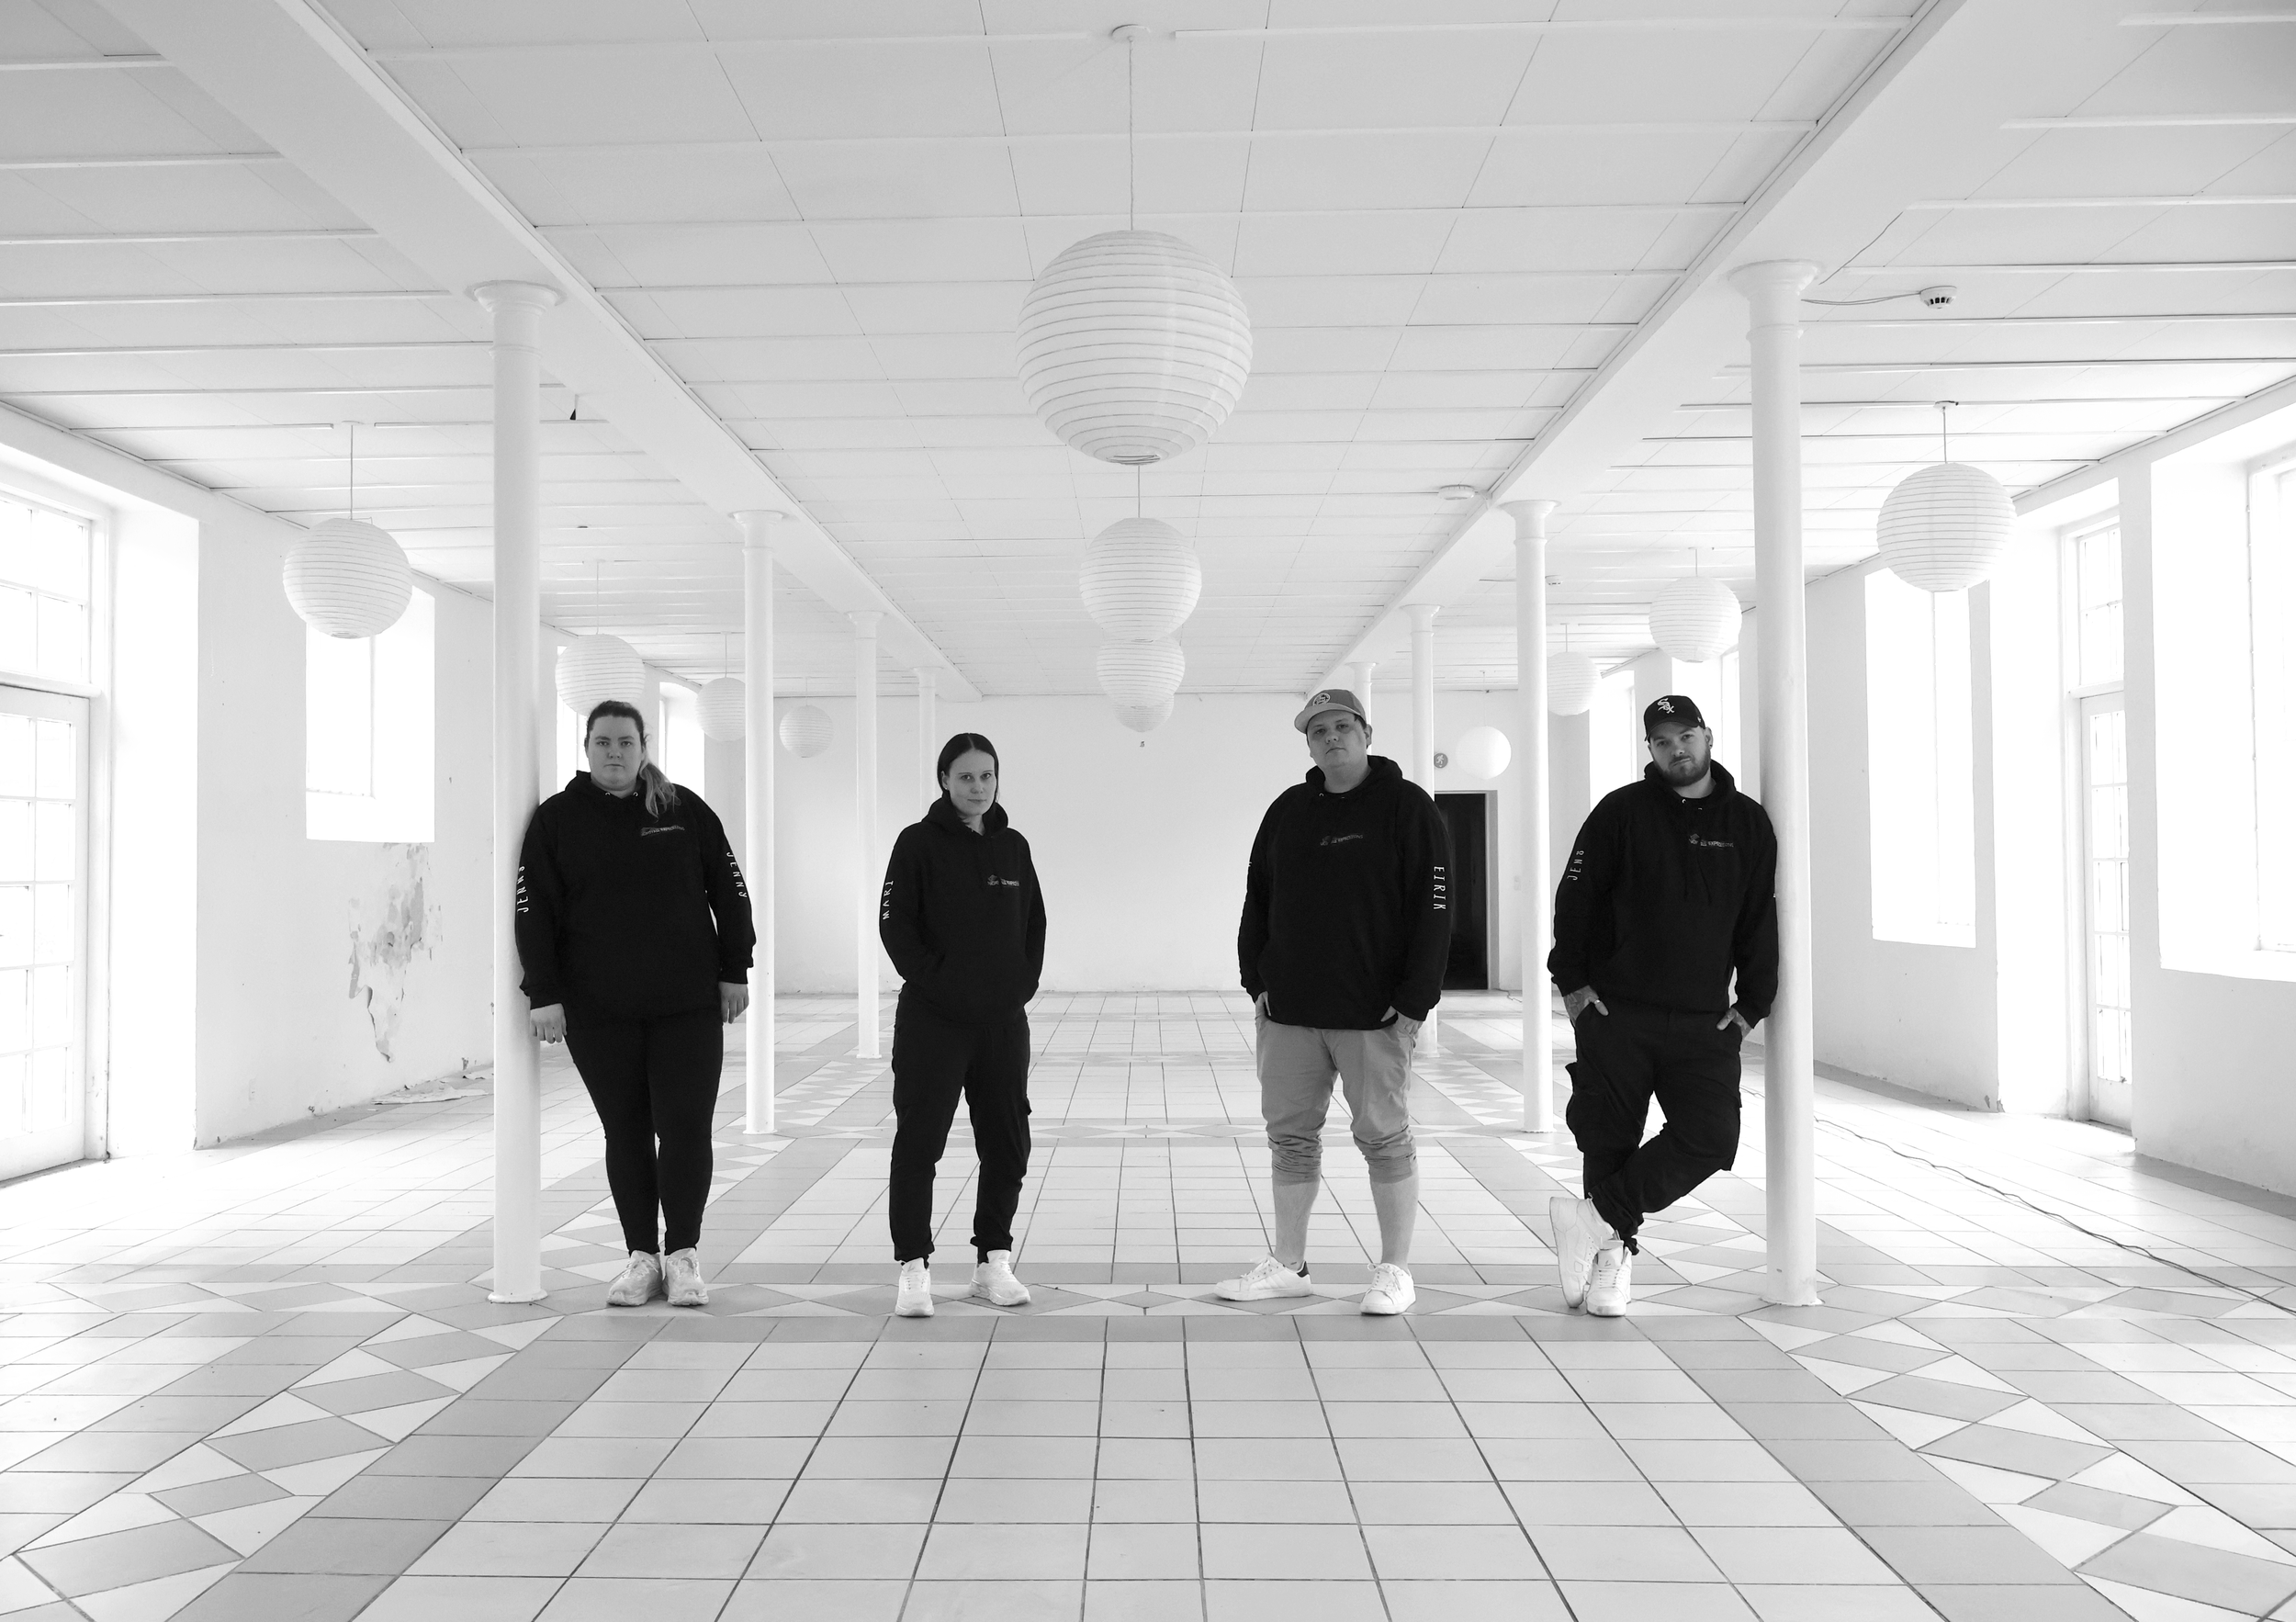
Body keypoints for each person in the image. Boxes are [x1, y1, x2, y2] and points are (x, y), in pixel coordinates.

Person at [515, 700, 753, 1309]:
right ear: (587, 748)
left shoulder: (682, 810)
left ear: (644, 747)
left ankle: (683, 1255)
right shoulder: (557, 819)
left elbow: (730, 890)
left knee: (685, 1129)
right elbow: (533, 910)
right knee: (625, 1131)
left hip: (686, 1004)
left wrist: (735, 969)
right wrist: (543, 993)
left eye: (625, 741)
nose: (615, 752)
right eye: (603, 742)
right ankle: (642, 1258)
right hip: (599, 1009)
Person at [1548, 693, 1778, 1317]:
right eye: (1663, 741)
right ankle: (1610, 1262)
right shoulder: (1621, 812)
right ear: (1650, 749)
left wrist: (1753, 1003)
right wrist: (1572, 985)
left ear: (1707, 736)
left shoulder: (1747, 823)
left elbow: (1759, 917)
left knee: (1711, 1138)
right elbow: (1576, 899)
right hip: (1615, 1013)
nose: (1677, 750)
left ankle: (1592, 1219)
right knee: (1608, 1139)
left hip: (1704, 1019)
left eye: (1686, 736)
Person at [1222, 688, 1451, 1315]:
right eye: (1318, 730)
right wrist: (1255, 980)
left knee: (1384, 1138)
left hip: (1374, 1014)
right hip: (1291, 1012)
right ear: (1309, 744)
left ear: (1366, 733)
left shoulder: (1408, 808)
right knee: (1290, 1138)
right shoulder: (1288, 810)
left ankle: (1395, 1271)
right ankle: (1289, 1265)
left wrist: (1416, 998)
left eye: (1343, 726)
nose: (1331, 738)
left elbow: (1434, 907)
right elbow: (1257, 897)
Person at [878, 733, 1047, 1318]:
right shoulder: (917, 843)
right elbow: (896, 927)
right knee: (920, 1143)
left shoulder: (1013, 847)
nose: (978, 787)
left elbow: (1034, 925)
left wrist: (1019, 987)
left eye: (987, 776)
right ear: (944, 780)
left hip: (1001, 1023)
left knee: (1007, 1142)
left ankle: (992, 1261)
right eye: (966, 777)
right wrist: (940, 984)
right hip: (934, 1022)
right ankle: (913, 1265)